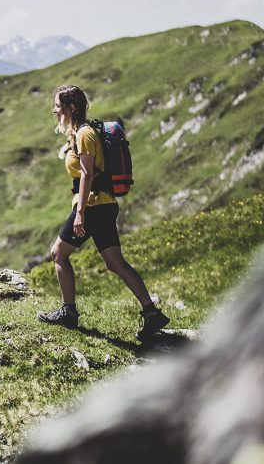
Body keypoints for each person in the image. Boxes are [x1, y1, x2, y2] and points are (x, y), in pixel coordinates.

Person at [35, 85, 170, 341]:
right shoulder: (80, 133)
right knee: (115, 262)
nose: (54, 110)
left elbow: (87, 174)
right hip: (104, 206)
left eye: (57, 105)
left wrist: (80, 213)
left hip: (93, 207)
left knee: (58, 254)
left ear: (71, 107)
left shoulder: (85, 134)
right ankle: (152, 312)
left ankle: (68, 312)